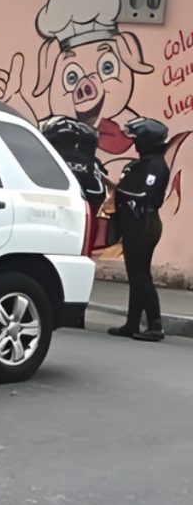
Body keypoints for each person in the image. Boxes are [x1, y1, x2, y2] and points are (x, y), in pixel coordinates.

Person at [107, 118, 171, 342]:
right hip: (136, 224)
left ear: (147, 142)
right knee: (135, 274)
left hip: (145, 224)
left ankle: (155, 324)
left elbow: (146, 196)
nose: (134, 145)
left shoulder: (156, 166)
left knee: (141, 275)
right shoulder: (142, 164)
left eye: (138, 140)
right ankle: (132, 322)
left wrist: (116, 190)